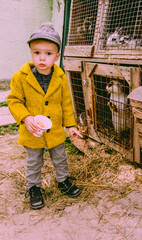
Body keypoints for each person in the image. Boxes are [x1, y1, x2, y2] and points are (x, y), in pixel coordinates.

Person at [7, 22, 83, 210]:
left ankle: (63, 181)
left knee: (60, 157)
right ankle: (34, 188)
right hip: (33, 131)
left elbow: (66, 102)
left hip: (55, 130)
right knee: (34, 161)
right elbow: (14, 100)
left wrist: (71, 125)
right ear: (31, 53)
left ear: (57, 56)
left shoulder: (60, 77)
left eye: (48, 54)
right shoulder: (21, 77)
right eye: (37, 53)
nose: (42, 58)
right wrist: (26, 117)